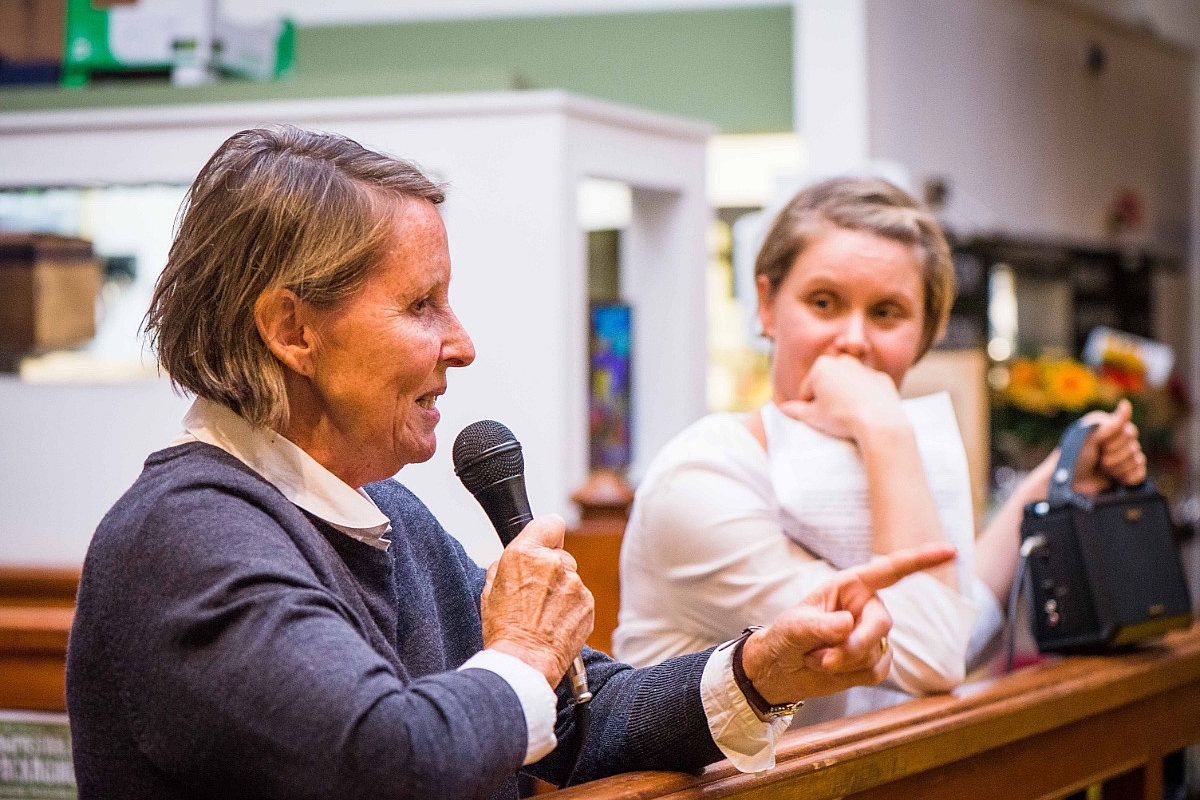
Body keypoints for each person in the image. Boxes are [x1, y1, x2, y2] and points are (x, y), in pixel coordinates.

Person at [65, 128, 957, 800]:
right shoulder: (184, 535)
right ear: (292, 329)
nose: (462, 345)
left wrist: (762, 669)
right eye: (423, 305)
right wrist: (525, 649)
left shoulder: (384, 513)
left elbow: (572, 717)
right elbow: (386, 758)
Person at [614, 176, 1146, 724]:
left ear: (925, 332)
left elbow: (954, 628)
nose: (854, 340)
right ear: (768, 305)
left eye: (887, 313)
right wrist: (887, 428)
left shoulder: (882, 456)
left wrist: (1060, 475)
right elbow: (933, 651)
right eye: (824, 302)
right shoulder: (703, 476)